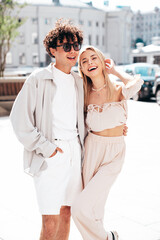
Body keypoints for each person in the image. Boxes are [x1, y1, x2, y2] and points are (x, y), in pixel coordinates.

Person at [10, 19, 85, 240]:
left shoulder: (79, 81)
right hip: (51, 154)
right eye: (67, 46)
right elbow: (19, 120)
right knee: (50, 221)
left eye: (76, 45)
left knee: (67, 212)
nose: (73, 51)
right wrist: (47, 148)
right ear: (53, 50)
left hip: (75, 154)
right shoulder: (38, 79)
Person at [71, 45, 144, 240]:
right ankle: (105, 237)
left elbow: (137, 84)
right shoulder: (85, 94)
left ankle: (107, 237)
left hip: (114, 153)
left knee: (79, 208)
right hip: (92, 148)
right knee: (93, 208)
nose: (89, 63)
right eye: (84, 61)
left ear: (102, 62)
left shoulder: (118, 89)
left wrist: (115, 71)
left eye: (94, 58)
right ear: (82, 69)